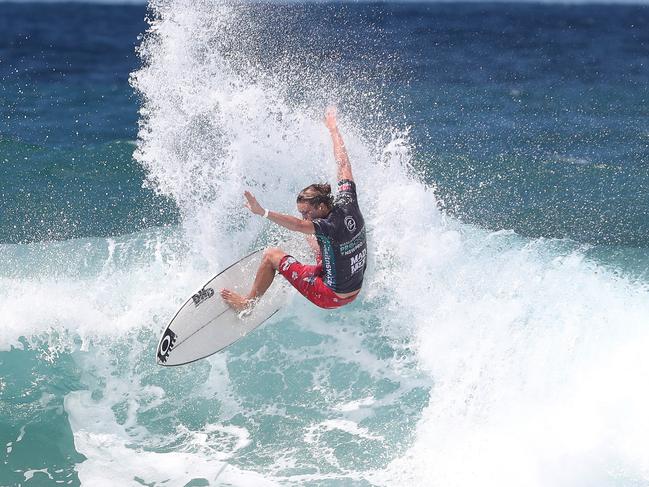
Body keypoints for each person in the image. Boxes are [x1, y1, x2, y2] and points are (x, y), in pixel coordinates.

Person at [220, 107, 367, 311]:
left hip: (330, 295)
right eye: (302, 213)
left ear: (322, 206)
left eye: (307, 212)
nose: (304, 217)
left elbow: (298, 226)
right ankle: (301, 270)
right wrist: (333, 130)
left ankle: (247, 304)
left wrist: (262, 211)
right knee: (312, 237)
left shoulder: (328, 226)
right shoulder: (347, 200)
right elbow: (343, 164)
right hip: (354, 288)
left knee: (272, 255)